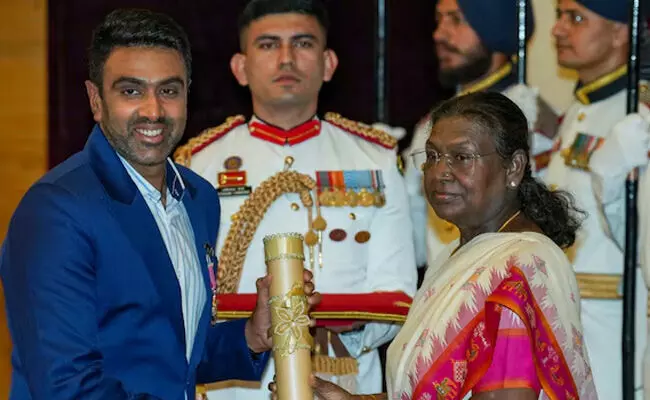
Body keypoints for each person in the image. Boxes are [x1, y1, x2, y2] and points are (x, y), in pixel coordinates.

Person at [0, 8, 320, 400]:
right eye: (131, 91)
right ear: (96, 100)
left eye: (168, 91)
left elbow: (175, 355)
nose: (153, 111)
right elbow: (67, 387)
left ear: (187, 94)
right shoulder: (56, 210)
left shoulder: (198, 198)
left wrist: (252, 334)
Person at [270, 91, 597, 400]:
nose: (440, 172)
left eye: (462, 157)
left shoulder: (521, 268)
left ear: (513, 167)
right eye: (432, 156)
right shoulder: (454, 257)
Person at [173, 0, 417, 398]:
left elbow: (399, 293)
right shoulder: (197, 164)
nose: (286, 58)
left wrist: (338, 325)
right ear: (240, 67)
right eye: (268, 45)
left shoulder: (375, 160)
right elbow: (186, 294)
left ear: (328, 64)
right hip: (233, 388)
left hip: (339, 379)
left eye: (303, 43)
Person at [403, 0, 559, 273]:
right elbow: (413, 236)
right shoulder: (433, 122)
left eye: (456, 20)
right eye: (439, 20)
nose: (439, 34)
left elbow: (541, 228)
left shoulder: (528, 118)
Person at [544, 1, 650, 397]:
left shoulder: (638, 115)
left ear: (621, 31)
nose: (558, 30)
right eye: (559, 15)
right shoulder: (578, 111)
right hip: (565, 322)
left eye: (576, 18)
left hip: (614, 333)